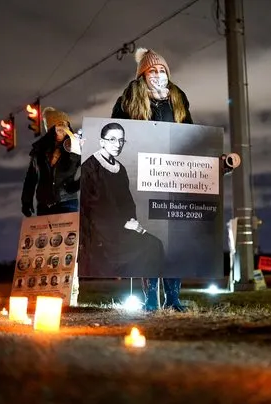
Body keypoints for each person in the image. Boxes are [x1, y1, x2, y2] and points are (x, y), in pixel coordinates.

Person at [110, 47, 193, 312]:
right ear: (142, 75)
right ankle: (150, 297)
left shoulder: (178, 100)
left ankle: (174, 297)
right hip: (142, 178)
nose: (157, 74)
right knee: (149, 238)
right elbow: (117, 133)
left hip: (173, 177)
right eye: (152, 70)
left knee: (174, 240)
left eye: (162, 70)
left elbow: (191, 134)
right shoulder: (127, 100)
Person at [79, 122, 166, 279]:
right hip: (102, 231)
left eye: (121, 140)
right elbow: (91, 207)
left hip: (122, 228)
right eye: (112, 139)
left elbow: (127, 202)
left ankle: (150, 294)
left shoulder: (121, 168)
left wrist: (132, 222)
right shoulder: (89, 167)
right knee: (150, 246)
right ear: (102, 142)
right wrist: (121, 223)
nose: (117, 144)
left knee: (155, 244)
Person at [21, 107, 81, 217]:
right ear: (51, 127)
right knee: (44, 235)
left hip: (66, 202)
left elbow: (85, 166)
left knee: (67, 234)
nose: (63, 127)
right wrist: (26, 201)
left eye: (65, 124)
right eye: (59, 123)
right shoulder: (39, 150)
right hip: (44, 204)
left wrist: (78, 184)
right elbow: (31, 177)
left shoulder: (75, 147)